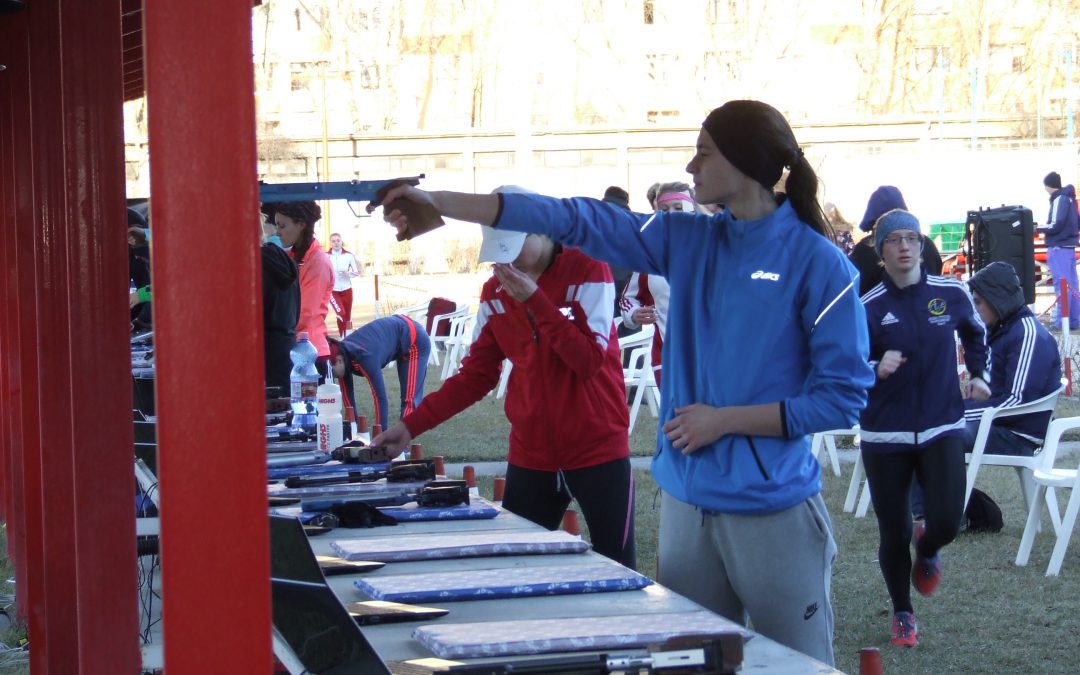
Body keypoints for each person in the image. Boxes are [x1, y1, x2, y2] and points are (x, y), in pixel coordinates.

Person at [370, 100, 875, 666]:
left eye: (703, 153)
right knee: (689, 665)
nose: (690, 165)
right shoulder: (689, 240)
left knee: (797, 666)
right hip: (686, 505)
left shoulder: (820, 264)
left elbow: (843, 396)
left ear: (746, 161)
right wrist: (441, 202)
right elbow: (574, 217)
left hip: (772, 510)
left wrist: (724, 421)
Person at [373, 186, 636, 570]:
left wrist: (535, 301)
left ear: (540, 231)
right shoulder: (496, 289)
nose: (509, 265)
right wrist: (410, 428)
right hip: (531, 455)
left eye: (514, 251)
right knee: (515, 566)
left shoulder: (589, 269)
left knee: (618, 568)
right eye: (499, 255)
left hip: (598, 451)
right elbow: (476, 377)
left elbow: (589, 362)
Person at [858, 209, 990, 648]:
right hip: (884, 435)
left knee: (949, 519)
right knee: (892, 531)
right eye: (893, 240)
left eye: (911, 238)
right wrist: (875, 366)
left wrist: (977, 373)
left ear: (921, 244)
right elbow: (845, 362)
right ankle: (902, 613)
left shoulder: (950, 293)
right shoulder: (868, 307)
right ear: (881, 252)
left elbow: (975, 333)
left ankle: (929, 546)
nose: (904, 247)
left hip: (942, 424)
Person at [963, 261, 1062, 454]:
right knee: (930, 433)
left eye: (978, 302)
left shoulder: (1028, 334)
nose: (975, 309)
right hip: (1001, 425)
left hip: (1018, 435)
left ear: (996, 300)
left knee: (939, 437)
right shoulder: (1005, 329)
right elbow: (997, 391)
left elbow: (1016, 402)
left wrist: (956, 412)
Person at [619, 181, 688, 387]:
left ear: (693, 210)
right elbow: (627, 298)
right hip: (667, 356)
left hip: (711, 356)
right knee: (676, 417)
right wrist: (634, 314)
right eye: (664, 209)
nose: (671, 214)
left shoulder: (713, 248)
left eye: (679, 208)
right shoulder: (649, 255)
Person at [261, 201, 335, 377]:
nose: (278, 231)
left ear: (301, 224)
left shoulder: (318, 262)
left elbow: (303, 314)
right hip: (294, 350)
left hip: (311, 355)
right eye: (277, 225)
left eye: (283, 225)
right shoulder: (290, 257)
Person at [329, 315, 430, 431]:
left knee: (410, 400)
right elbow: (348, 400)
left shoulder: (365, 357)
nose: (331, 376)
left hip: (414, 340)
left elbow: (380, 398)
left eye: (331, 372)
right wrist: (353, 431)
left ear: (339, 360)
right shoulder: (341, 353)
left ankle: (402, 444)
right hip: (397, 334)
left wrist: (380, 436)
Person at [849, 186, 943, 297]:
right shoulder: (925, 242)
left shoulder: (864, 249)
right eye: (893, 240)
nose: (904, 247)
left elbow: (853, 287)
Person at [1037, 171, 1080, 330]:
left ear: (1048, 185)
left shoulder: (1059, 199)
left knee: (1061, 285)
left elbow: (1055, 223)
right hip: (1069, 247)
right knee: (1072, 286)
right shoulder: (1071, 198)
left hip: (1058, 247)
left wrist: (1037, 228)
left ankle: (1062, 323)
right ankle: (1074, 321)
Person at [601, 186, 636, 339]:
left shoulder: (596, 215)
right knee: (629, 333)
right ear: (625, 200)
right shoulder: (634, 220)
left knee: (605, 332)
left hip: (601, 282)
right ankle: (629, 361)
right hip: (626, 285)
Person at [328, 232, 362, 338]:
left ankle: (346, 339)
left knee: (347, 317)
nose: (336, 243)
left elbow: (357, 272)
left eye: (338, 240)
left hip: (347, 289)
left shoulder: (349, 255)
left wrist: (348, 273)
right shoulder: (325, 256)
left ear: (341, 242)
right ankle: (342, 338)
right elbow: (320, 271)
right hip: (333, 290)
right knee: (341, 313)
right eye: (333, 241)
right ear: (331, 243)